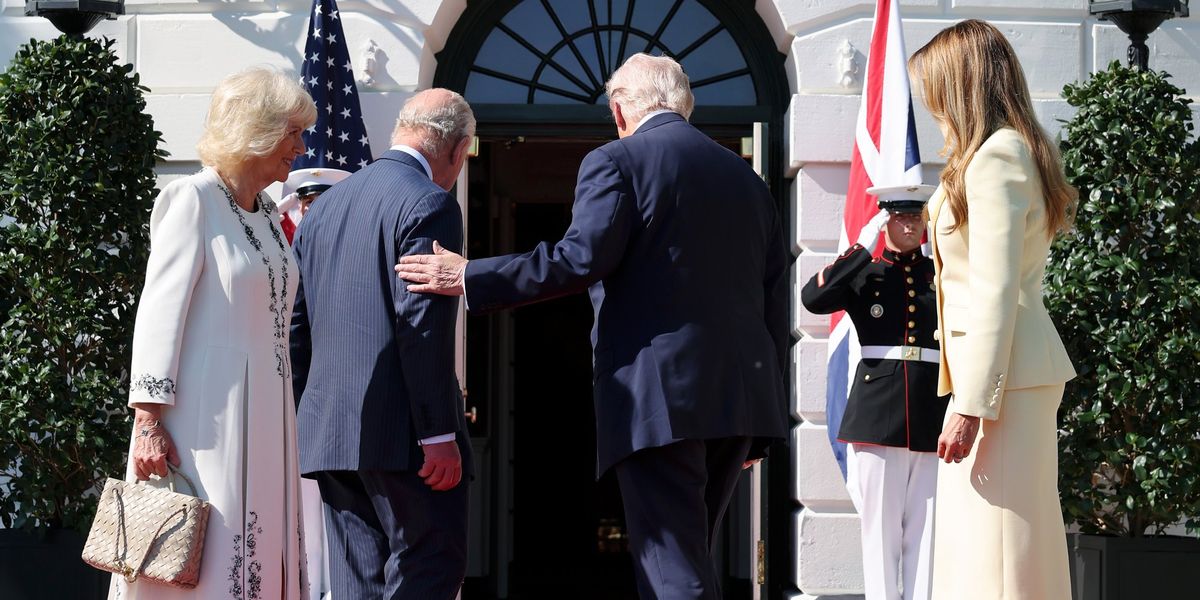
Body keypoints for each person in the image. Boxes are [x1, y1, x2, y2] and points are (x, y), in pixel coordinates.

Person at [395, 53, 789, 599]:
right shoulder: (746, 176)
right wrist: (762, 421)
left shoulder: (617, 160)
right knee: (690, 555)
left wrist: (471, 275)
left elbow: (579, 260)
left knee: (673, 568)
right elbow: (773, 299)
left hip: (659, 396)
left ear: (620, 109)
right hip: (740, 399)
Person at [115, 67, 315, 599]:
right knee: (200, 559)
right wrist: (148, 420)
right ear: (257, 129)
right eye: (292, 131)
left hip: (271, 415)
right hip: (206, 422)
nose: (300, 145)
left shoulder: (271, 213)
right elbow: (160, 312)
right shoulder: (193, 199)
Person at [908, 19, 1078, 600]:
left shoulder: (996, 157)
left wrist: (971, 404)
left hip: (1002, 382)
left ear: (960, 85)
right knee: (993, 548)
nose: (931, 106)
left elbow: (995, 290)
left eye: (934, 89)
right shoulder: (999, 153)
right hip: (1004, 376)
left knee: (1000, 553)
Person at [289, 88, 475, 600]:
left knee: (358, 583)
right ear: (458, 150)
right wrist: (438, 433)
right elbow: (421, 324)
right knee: (430, 564)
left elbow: (297, 329)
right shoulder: (429, 202)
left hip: (331, 434)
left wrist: (307, 416)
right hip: (406, 440)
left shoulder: (323, 209)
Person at [800, 185, 949, 600]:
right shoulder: (866, 270)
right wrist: (858, 252)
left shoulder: (940, 272)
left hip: (930, 411)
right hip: (877, 415)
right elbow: (813, 298)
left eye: (916, 217)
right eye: (899, 217)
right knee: (880, 533)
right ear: (884, 221)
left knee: (928, 531)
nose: (909, 224)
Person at [278, 167, 351, 244]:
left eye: (322, 203)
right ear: (300, 207)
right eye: (309, 202)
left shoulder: (349, 240)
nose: (314, 208)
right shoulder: (291, 241)